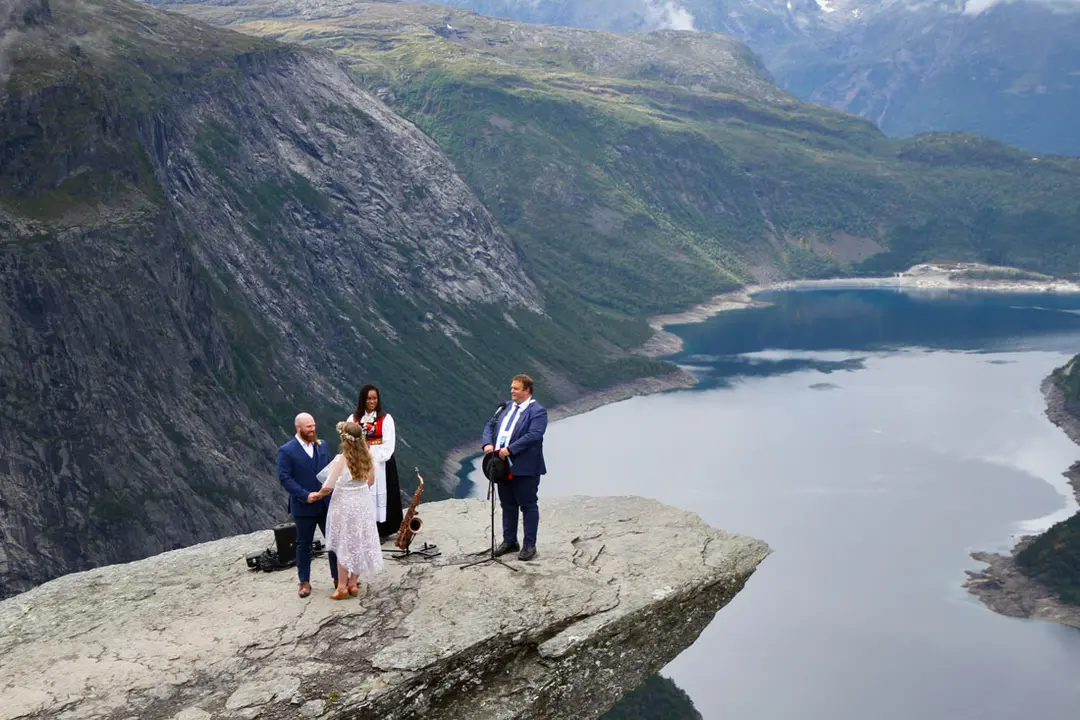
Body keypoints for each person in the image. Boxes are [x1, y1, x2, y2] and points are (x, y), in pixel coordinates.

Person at [312, 421, 384, 599]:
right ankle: (353, 584)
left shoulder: (340, 460)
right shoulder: (368, 457)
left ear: (344, 440)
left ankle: (342, 587)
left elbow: (328, 486)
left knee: (344, 543)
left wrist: (318, 494)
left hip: (344, 504)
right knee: (360, 541)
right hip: (363, 502)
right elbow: (371, 481)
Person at [482, 374, 548, 561]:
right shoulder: (506, 408)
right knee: (507, 504)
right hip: (502, 468)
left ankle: (529, 545)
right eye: (511, 387)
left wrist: (510, 450)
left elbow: (534, 435)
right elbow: (490, 425)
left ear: (527, 390)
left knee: (528, 505)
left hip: (524, 467)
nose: (512, 391)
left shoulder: (537, 411)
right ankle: (510, 541)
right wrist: (487, 443)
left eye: (516, 388)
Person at [277, 412, 338, 598]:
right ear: (298, 428)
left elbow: (330, 468)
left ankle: (338, 579)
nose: (313, 429)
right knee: (303, 544)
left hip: (326, 504)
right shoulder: (286, 451)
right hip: (303, 507)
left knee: (334, 542)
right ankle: (304, 582)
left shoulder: (323, 445)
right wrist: (305, 495)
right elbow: (284, 478)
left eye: (313, 425)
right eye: (308, 427)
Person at [347, 385, 403, 541]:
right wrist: (360, 457)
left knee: (383, 495)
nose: (372, 401)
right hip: (361, 462)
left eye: (374, 398)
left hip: (381, 462)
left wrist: (375, 458)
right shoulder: (354, 419)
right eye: (369, 398)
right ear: (363, 400)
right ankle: (365, 529)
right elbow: (349, 439)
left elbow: (389, 443)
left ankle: (383, 529)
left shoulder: (386, 419)